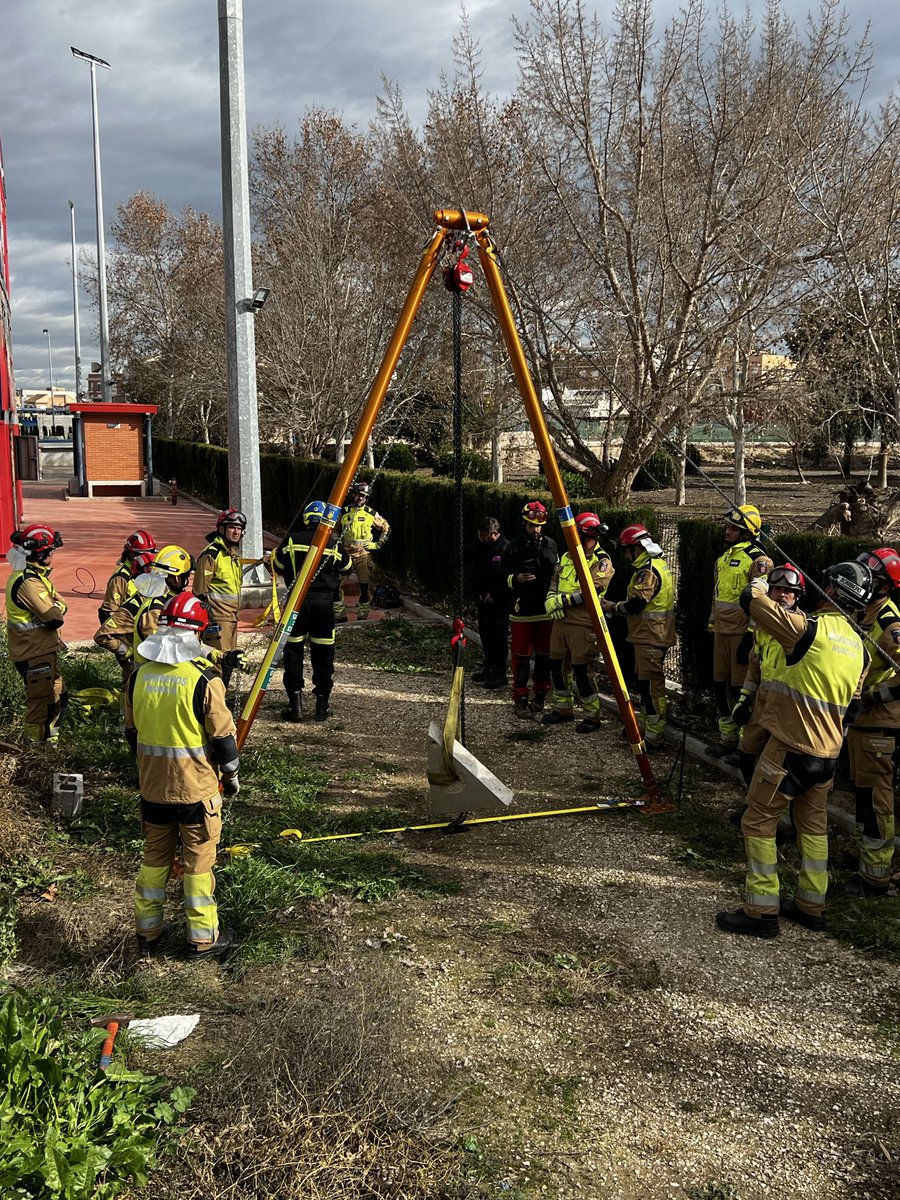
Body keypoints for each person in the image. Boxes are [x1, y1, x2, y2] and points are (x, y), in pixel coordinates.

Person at [716, 560, 872, 939]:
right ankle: (810, 906)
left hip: (789, 747)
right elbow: (853, 706)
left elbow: (752, 601)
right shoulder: (862, 650)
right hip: (828, 755)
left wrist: (758, 579)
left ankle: (762, 909)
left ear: (831, 592)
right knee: (813, 827)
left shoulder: (807, 630)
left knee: (757, 820)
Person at [124, 591, 238, 959]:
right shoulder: (204, 679)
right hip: (195, 793)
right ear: (198, 634)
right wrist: (232, 776)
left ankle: (148, 933)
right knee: (198, 865)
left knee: (154, 859)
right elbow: (223, 740)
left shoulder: (138, 676)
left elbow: (132, 734)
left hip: (152, 789)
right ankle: (202, 939)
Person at [845, 547, 900, 897]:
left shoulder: (890, 623)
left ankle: (876, 876)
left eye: (872, 578)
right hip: (863, 723)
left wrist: (871, 695)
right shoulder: (863, 611)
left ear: (885, 586)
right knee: (863, 795)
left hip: (880, 724)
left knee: (876, 800)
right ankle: (867, 858)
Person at [271, 500, 352, 722]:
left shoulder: (291, 540)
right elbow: (347, 568)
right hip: (324, 605)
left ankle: (295, 705)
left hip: (297, 602)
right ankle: (321, 707)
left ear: (306, 518)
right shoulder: (333, 544)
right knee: (323, 653)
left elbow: (277, 567)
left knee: (293, 651)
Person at [729, 564, 806, 785]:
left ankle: (765, 810)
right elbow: (755, 666)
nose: (782, 594)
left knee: (774, 767)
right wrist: (744, 699)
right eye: (776, 589)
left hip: (786, 710)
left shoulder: (802, 629)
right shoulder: (763, 626)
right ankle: (752, 803)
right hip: (761, 705)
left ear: (797, 596)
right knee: (747, 756)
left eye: (788, 591)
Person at [708, 504, 773, 756]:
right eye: (727, 527)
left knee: (741, 692)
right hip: (721, 633)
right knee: (719, 686)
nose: (727, 532)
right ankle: (726, 739)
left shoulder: (759, 560)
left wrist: (750, 635)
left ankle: (744, 747)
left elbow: (761, 601)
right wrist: (712, 624)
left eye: (733, 528)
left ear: (747, 532)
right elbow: (717, 596)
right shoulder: (723, 558)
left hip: (742, 635)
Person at [602, 524, 676, 747]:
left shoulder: (648, 571)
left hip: (651, 635)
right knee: (645, 685)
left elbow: (636, 604)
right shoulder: (655, 565)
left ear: (638, 548)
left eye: (627, 550)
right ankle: (644, 726)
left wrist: (613, 607)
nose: (625, 555)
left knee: (651, 687)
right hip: (648, 635)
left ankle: (654, 734)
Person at [542, 512, 614, 733]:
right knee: (556, 665)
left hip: (583, 623)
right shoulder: (567, 556)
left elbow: (591, 591)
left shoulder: (602, 561)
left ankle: (592, 715)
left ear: (590, 536)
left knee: (582, 670)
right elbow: (555, 578)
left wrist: (560, 601)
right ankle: (563, 709)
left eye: (580, 536)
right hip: (561, 620)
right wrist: (550, 598)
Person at [5, 524, 68, 743]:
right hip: (32, 653)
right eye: (50, 550)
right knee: (40, 703)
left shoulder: (36, 577)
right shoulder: (28, 583)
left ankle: (51, 740)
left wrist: (57, 606)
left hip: (42, 650)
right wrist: (57, 608)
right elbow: (54, 618)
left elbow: (59, 605)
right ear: (38, 552)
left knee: (58, 694)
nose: (53, 553)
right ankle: (34, 747)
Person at [500, 501, 559, 719]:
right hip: (522, 610)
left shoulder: (551, 545)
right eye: (531, 526)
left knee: (545, 655)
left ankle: (541, 694)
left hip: (546, 610)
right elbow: (502, 578)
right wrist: (516, 578)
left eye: (539, 526)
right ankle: (520, 697)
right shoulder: (513, 547)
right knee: (521, 656)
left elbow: (557, 572)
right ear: (524, 524)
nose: (535, 530)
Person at [194, 508, 246, 686]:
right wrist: (208, 618)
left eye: (239, 528)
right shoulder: (212, 554)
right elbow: (199, 591)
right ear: (221, 529)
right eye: (232, 527)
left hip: (231, 618)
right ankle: (212, 703)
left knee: (229, 661)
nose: (236, 531)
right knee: (217, 663)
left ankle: (222, 698)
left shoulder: (232, 555)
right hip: (217, 619)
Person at [94, 549, 158, 685]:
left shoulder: (163, 600)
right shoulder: (133, 605)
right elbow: (105, 626)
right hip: (143, 669)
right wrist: (127, 651)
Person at [464, 517, 509, 690]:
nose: (483, 538)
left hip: (499, 601)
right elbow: (470, 558)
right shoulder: (481, 546)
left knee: (498, 638)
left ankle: (499, 673)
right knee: (486, 635)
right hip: (482, 598)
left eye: (486, 535)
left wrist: (495, 594)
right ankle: (489, 667)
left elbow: (506, 576)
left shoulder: (505, 548)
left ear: (496, 534)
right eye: (480, 534)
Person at [335, 481, 390, 621]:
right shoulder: (344, 512)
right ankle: (339, 614)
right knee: (336, 585)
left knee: (365, 587)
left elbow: (386, 528)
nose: (360, 498)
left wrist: (378, 544)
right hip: (345, 555)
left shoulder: (370, 513)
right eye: (358, 495)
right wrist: (336, 543)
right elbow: (334, 530)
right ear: (353, 495)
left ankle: (363, 613)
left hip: (363, 555)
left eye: (364, 496)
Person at [132, 545, 194, 663]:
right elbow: (161, 652)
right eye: (186, 575)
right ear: (177, 578)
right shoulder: (156, 609)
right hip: (151, 676)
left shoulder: (162, 601)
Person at [98, 530, 156, 623]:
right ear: (130, 553)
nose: (145, 558)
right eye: (141, 555)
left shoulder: (152, 572)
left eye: (150, 553)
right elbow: (108, 613)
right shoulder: (121, 578)